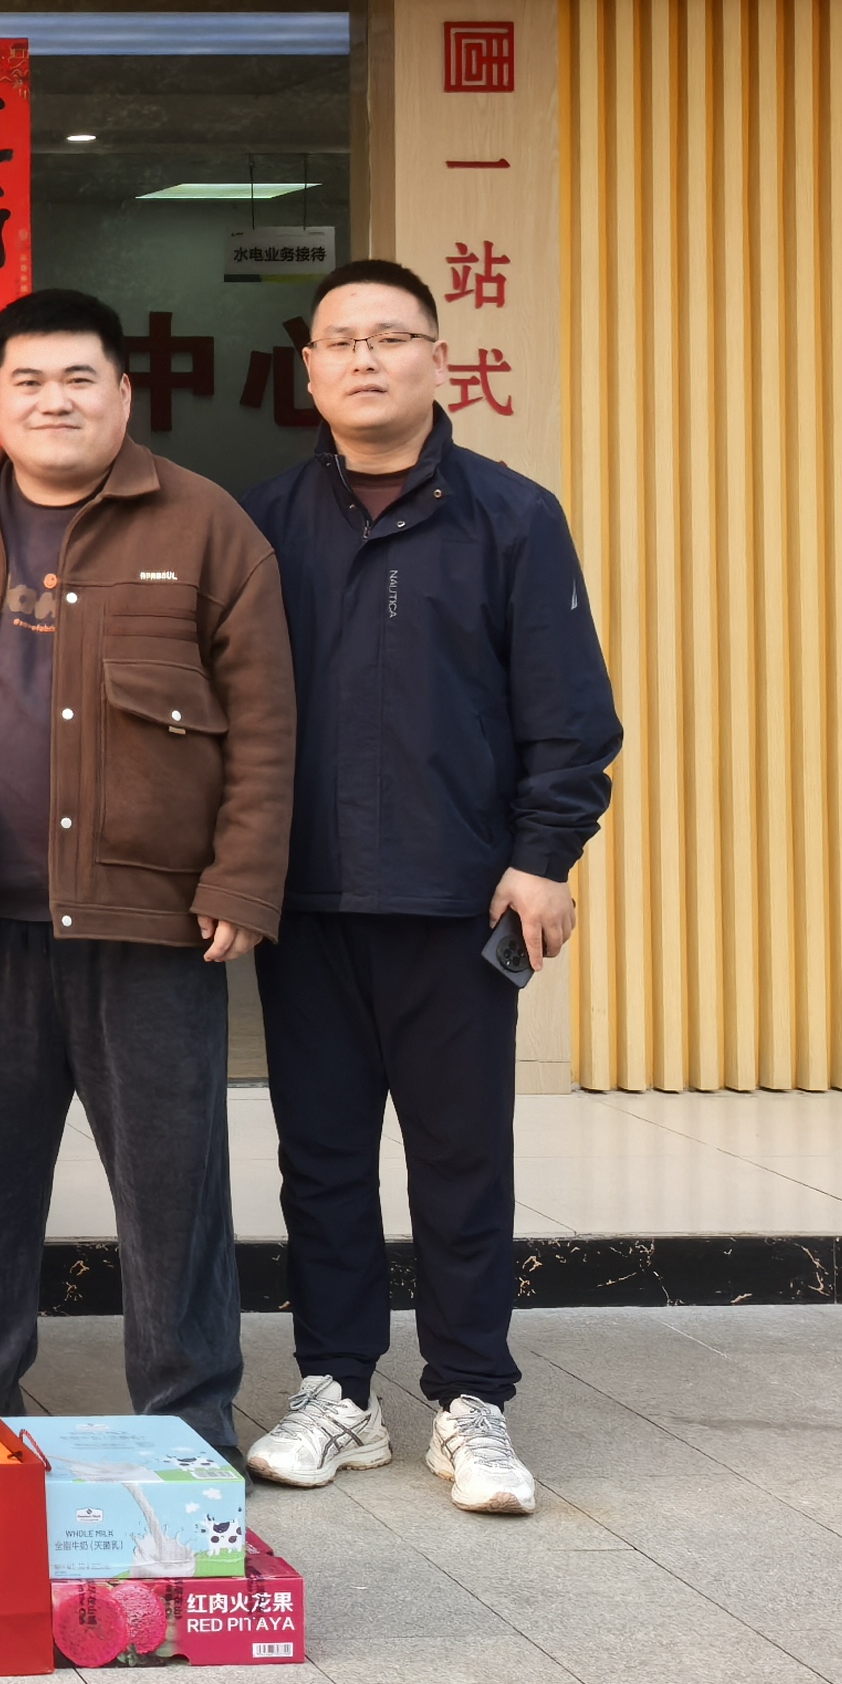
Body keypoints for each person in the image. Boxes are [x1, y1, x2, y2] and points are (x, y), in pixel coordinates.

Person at [0, 289, 296, 1461]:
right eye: (27, 382)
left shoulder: (204, 527)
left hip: (147, 921)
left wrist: (241, 880)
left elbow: (265, 723)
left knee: (171, 1188)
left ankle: (188, 1417)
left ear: (122, 393)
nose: (52, 401)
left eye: (77, 379)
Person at [235, 256, 621, 1515]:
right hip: (306, 905)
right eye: (339, 341)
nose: (364, 360)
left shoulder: (511, 517)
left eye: (390, 337)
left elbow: (568, 711)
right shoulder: (262, 524)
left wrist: (544, 855)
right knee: (320, 1163)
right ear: (307, 371)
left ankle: (469, 1399)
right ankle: (337, 1391)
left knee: (461, 1161)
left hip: (460, 903)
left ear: (436, 360)